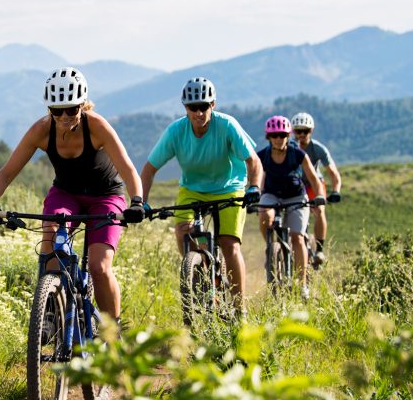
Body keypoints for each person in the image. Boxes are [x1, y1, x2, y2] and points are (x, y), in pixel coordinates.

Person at [0, 67, 144, 324]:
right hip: (66, 194)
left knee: (99, 267)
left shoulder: (97, 126)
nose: (65, 116)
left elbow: (128, 169)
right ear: (49, 110)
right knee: (52, 234)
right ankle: (51, 311)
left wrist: (137, 202)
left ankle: (113, 333)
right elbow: (7, 173)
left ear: (83, 105)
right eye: (57, 111)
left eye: (72, 109)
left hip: (105, 196)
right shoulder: (41, 131)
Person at [139, 77, 264, 315]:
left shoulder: (227, 125)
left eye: (204, 106)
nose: (198, 112)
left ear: (213, 105)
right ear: (185, 107)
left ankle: (240, 310)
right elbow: (149, 169)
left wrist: (254, 187)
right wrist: (140, 201)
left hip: (230, 187)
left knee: (229, 244)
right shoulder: (176, 131)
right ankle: (197, 271)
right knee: (183, 230)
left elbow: (253, 161)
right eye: (192, 107)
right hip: (193, 189)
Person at [256, 116, 326, 299]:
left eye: (282, 135)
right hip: (272, 194)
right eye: (274, 135)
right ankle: (271, 248)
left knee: (297, 237)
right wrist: (251, 193)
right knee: (264, 215)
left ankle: (302, 285)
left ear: (288, 135)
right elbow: (254, 179)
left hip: (296, 196)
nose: (278, 138)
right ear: (268, 137)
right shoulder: (262, 156)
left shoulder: (298, 155)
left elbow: (314, 179)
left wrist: (318, 196)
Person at [290, 112, 342, 267]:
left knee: (319, 210)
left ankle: (319, 249)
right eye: (298, 131)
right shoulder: (288, 147)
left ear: (311, 131)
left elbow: (333, 173)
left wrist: (336, 191)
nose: (301, 135)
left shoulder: (318, 149)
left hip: (314, 184)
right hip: (295, 184)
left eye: (304, 131)